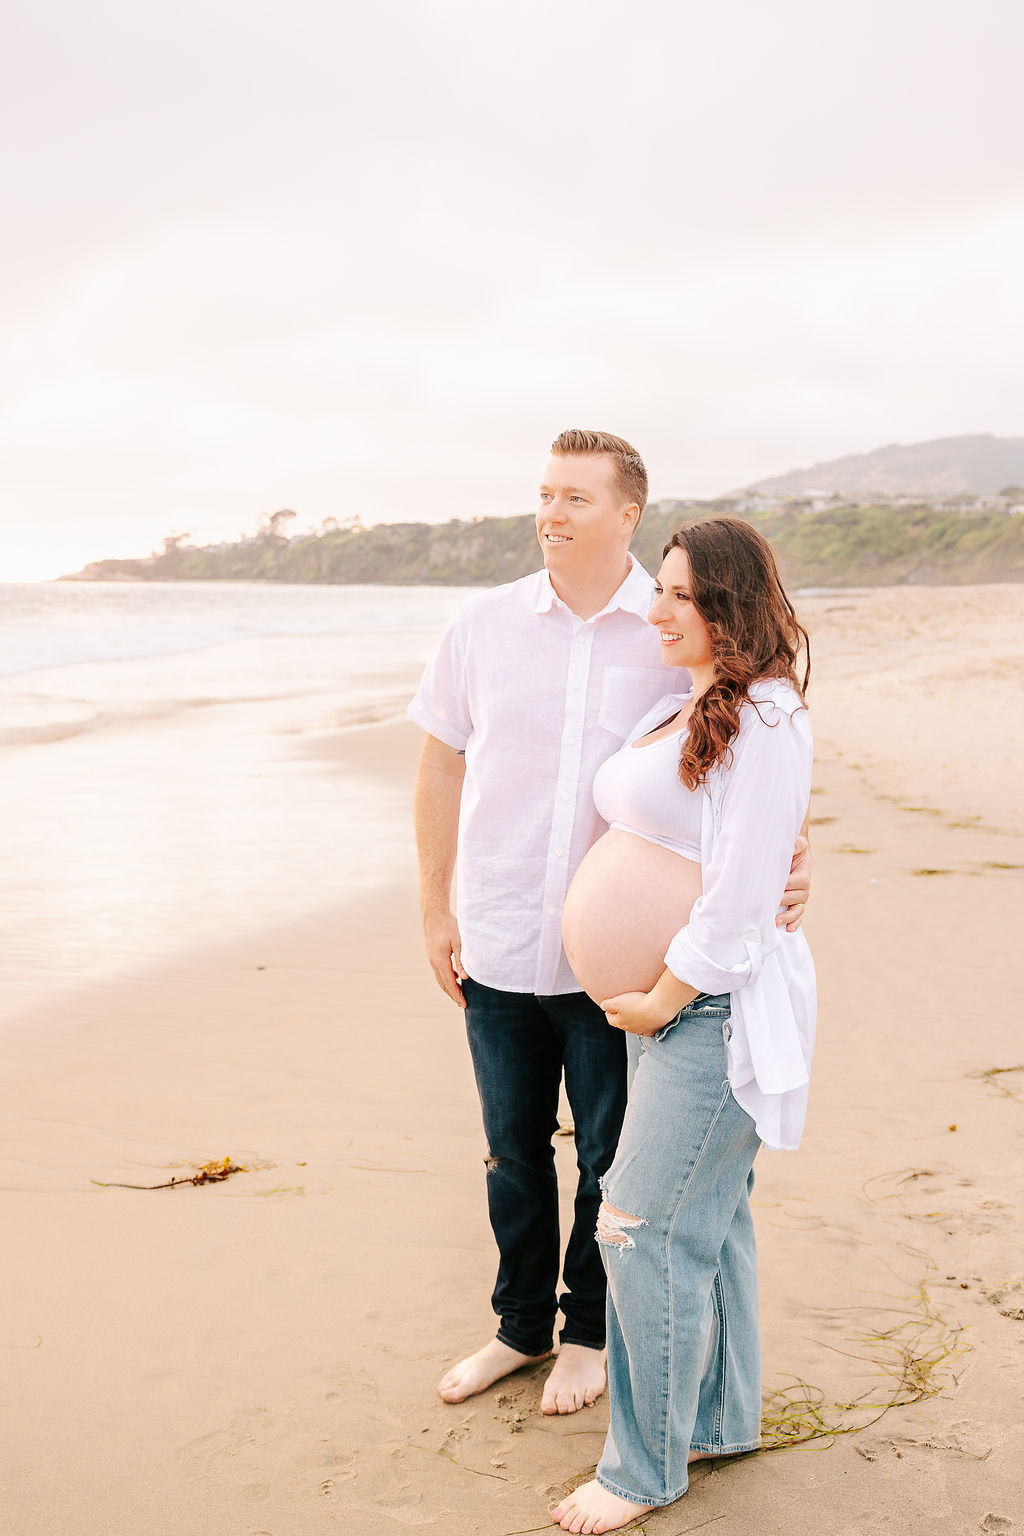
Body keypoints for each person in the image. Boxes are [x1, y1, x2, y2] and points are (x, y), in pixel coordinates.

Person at [408, 431, 811, 1418]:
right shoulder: (482, 624)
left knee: (607, 1156)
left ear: (627, 513)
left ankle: (586, 1333)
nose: (552, 513)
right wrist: (433, 906)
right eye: (544, 493)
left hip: (620, 972)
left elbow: (747, 765)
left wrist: (794, 867)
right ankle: (517, 1329)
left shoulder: (676, 626)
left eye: (576, 497)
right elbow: (440, 762)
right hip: (499, 934)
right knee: (510, 1150)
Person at [550, 517, 815, 1534]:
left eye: (680, 597)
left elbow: (746, 890)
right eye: (657, 590)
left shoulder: (768, 717)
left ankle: (641, 1470)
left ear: (730, 608)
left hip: (709, 1008)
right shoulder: (694, 702)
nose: (656, 610)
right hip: (666, 1009)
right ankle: (717, 1418)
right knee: (708, 1221)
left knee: (639, 1226)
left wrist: (663, 992)